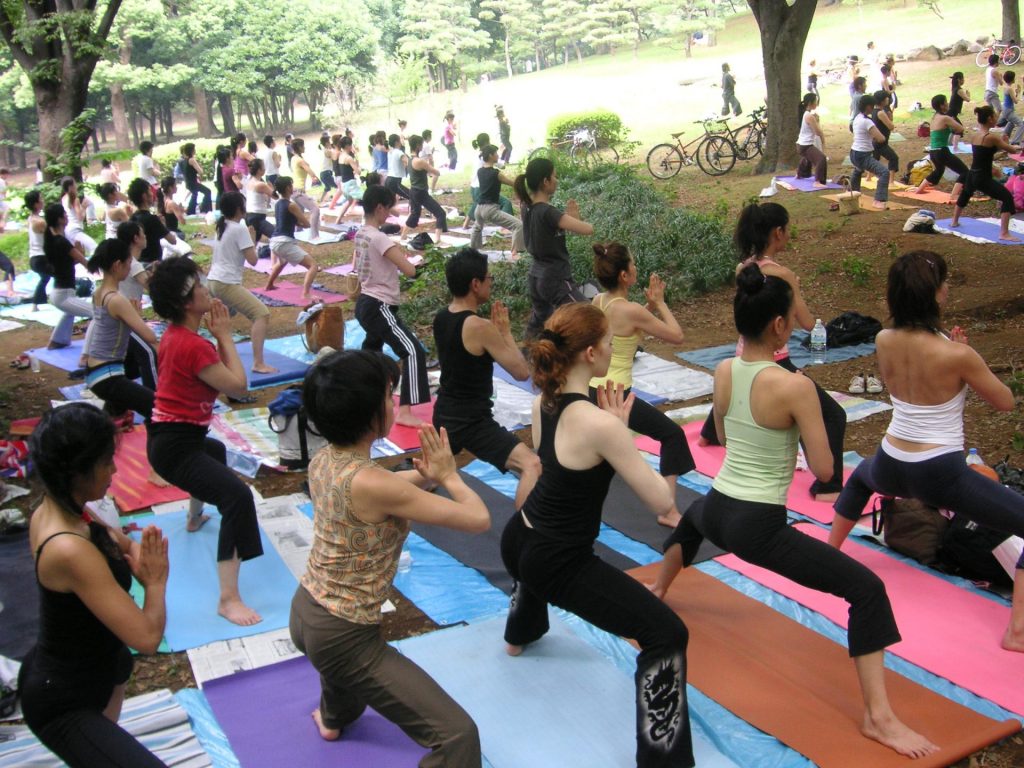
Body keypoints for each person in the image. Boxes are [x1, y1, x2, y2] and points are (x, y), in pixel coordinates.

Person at [650, 263, 937, 761]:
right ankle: (879, 718)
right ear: (780, 327)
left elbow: (720, 429)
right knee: (867, 590)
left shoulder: (722, 370)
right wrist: (803, 422)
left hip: (717, 506)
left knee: (692, 521)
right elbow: (826, 468)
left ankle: (658, 589)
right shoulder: (794, 387)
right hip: (757, 524)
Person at [501, 302, 694, 768]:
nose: (613, 350)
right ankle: (663, 760)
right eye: (609, 344)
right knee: (666, 633)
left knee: (538, 563)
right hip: (554, 559)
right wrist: (621, 435)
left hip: (518, 538)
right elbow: (663, 503)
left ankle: (518, 633)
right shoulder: (602, 424)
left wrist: (614, 435)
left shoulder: (542, 401)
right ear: (590, 353)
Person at [289, 349, 486, 763]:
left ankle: (332, 717)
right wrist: (449, 476)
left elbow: (386, 489)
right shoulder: (377, 485)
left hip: (306, 611)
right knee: (457, 736)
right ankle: (336, 707)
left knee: (343, 676)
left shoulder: (324, 460)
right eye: (389, 394)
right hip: (343, 635)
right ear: (370, 414)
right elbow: (477, 519)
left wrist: (427, 476)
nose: (394, 402)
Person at [830, 250, 1024, 654]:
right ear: (935, 294)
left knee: (862, 476)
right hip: (939, 472)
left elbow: (915, 377)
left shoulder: (883, 339)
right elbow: (1004, 401)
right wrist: (967, 361)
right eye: (945, 283)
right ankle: (1017, 631)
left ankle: (828, 556)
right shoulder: (956, 354)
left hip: (891, 459)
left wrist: (955, 358)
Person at [19, 403, 169, 768]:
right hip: (62, 700)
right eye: (106, 462)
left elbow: (124, 544)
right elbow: (147, 638)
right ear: (78, 471)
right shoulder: (68, 548)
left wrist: (138, 554)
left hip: (96, 668)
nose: (115, 469)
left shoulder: (64, 507)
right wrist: (155, 582)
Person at [698, 203, 846, 501]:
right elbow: (805, 322)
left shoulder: (745, 269)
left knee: (738, 386)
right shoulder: (783, 275)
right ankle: (829, 489)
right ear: (778, 232)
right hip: (773, 358)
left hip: (744, 353)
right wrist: (797, 291)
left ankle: (708, 434)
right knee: (834, 415)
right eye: (788, 229)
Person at [146, 256, 264, 626]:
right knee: (237, 496)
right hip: (175, 446)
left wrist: (217, 337)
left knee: (213, 452)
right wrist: (225, 334)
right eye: (198, 287)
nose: (205, 289)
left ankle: (195, 518)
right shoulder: (194, 346)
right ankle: (228, 599)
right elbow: (239, 386)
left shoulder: (176, 336)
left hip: (174, 440)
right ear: (185, 303)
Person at [588, 242, 692, 528]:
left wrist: (647, 308)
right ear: (624, 275)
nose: (636, 267)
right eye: (632, 264)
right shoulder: (632, 310)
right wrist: (659, 303)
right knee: (672, 436)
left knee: (601, 454)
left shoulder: (599, 301)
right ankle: (668, 511)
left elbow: (627, 323)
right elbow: (677, 336)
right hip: (616, 395)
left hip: (591, 390)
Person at [433, 248, 541, 508]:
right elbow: (521, 372)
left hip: (444, 413)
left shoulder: (441, 317)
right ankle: (526, 533)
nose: (491, 283)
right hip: (472, 422)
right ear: (475, 283)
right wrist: (504, 332)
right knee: (533, 465)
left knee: (430, 475)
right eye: (489, 278)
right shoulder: (480, 327)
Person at [355, 185, 430, 428]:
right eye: (388, 208)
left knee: (371, 357)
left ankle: (361, 400)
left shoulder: (361, 234)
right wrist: (419, 263)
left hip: (365, 303)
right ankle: (406, 411)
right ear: (379, 207)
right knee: (412, 351)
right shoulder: (379, 238)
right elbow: (409, 271)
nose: (390, 213)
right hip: (379, 305)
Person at [514, 157, 594, 339]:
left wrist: (570, 219)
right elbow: (588, 229)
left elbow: (546, 230)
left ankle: (528, 360)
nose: (556, 181)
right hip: (555, 278)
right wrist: (574, 217)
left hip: (535, 276)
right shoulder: (549, 212)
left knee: (540, 324)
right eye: (554, 176)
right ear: (545, 181)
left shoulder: (526, 207)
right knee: (588, 316)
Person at [208, 191, 277, 375]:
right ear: (240, 209)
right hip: (225, 283)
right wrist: (253, 237)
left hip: (213, 281)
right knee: (261, 314)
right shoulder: (239, 229)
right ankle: (258, 363)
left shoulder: (222, 226)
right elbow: (253, 260)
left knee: (225, 320)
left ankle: (218, 361)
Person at [951, 105, 1021, 241]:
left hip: (972, 173)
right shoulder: (991, 137)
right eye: (995, 116)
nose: (996, 118)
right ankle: (1004, 233)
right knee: (1006, 197)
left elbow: (985, 154)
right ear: (989, 119)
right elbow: (1012, 150)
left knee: (965, 194)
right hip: (982, 177)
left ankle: (954, 221)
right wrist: (1009, 145)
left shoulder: (975, 136)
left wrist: (1002, 146)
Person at [115, 220, 160, 392]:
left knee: (130, 359)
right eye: (143, 234)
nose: (146, 237)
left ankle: (118, 395)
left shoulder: (129, 261)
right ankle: (154, 400)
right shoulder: (132, 263)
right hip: (127, 315)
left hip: (126, 313)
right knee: (149, 352)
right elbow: (151, 287)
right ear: (136, 238)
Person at [43, 202, 93, 353]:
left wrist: (79, 253)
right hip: (63, 295)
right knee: (98, 312)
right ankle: (89, 351)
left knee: (70, 312)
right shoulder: (61, 242)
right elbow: (86, 263)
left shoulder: (52, 240)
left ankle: (57, 341)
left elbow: (71, 261)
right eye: (64, 214)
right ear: (59, 220)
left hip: (60, 293)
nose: (67, 216)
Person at [265, 176, 321, 299]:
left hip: (274, 241)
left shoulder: (278, 203)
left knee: (282, 262)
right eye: (291, 186)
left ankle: (269, 284)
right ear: (288, 188)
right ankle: (305, 293)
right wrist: (299, 222)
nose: (293, 188)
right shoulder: (292, 205)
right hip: (283, 242)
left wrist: (295, 222)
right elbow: (306, 224)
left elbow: (285, 220)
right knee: (313, 266)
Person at [910, 94, 968, 202]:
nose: (948, 104)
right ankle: (954, 195)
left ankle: (919, 189)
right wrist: (953, 121)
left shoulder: (934, 117)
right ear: (942, 106)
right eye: (946, 102)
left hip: (933, 152)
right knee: (965, 172)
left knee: (939, 170)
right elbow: (960, 129)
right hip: (942, 151)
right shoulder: (945, 118)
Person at [470, 145, 523, 256]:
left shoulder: (480, 171)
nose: (498, 155)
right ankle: (515, 253)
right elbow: (513, 183)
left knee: (477, 227)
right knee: (518, 225)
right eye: (496, 153)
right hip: (490, 209)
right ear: (490, 155)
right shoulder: (496, 174)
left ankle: (472, 253)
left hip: (479, 209)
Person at [849, 94, 890, 210]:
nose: (873, 108)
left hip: (854, 153)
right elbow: (881, 138)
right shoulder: (867, 122)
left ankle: (851, 193)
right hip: (863, 155)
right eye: (872, 106)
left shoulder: (857, 118)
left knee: (858, 170)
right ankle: (879, 200)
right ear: (868, 107)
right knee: (884, 172)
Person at [406, 135, 446, 242]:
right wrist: (430, 163)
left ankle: (403, 236)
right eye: (422, 145)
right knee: (440, 214)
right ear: (418, 145)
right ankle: (438, 240)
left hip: (413, 191)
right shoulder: (419, 161)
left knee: (414, 214)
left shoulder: (409, 160)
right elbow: (436, 172)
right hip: (420, 192)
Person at [128, 178, 178, 265]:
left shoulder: (132, 218)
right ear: (144, 196)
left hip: (137, 262)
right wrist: (163, 224)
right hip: (153, 264)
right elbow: (173, 241)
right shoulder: (152, 219)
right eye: (150, 191)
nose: (152, 194)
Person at [287, 138, 322, 241]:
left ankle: (298, 232)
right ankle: (314, 235)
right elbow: (311, 172)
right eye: (303, 146)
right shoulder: (300, 160)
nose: (304, 147)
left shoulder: (294, 158)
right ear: (299, 147)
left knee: (300, 212)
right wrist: (314, 178)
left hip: (294, 189)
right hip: (298, 190)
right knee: (315, 209)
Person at [796, 93, 829, 187]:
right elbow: (818, 132)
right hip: (805, 145)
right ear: (810, 103)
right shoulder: (810, 116)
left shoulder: (806, 114)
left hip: (801, 144)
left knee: (807, 157)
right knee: (821, 158)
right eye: (815, 102)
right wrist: (817, 121)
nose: (817, 104)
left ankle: (799, 174)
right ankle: (817, 182)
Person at [156, 177, 193, 259]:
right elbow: (182, 221)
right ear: (170, 188)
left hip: (165, 233)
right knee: (182, 236)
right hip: (172, 233)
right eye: (175, 185)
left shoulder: (163, 200)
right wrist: (180, 211)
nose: (177, 187)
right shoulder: (171, 203)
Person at [26, 190, 51, 311]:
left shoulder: (31, 218)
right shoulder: (39, 222)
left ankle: (37, 303)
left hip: (35, 258)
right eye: (41, 199)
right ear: (36, 204)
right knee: (57, 274)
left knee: (45, 278)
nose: (43, 200)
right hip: (40, 258)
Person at [61, 177, 98, 256]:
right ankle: (93, 266)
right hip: (75, 229)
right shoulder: (75, 199)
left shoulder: (64, 198)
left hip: (67, 229)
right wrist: (84, 207)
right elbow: (80, 218)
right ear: (71, 186)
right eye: (75, 184)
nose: (76, 186)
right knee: (94, 247)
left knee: (79, 253)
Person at [327, 136, 363, 216]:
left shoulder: (341, 156)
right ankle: (353, 211)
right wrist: (357, 164)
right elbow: (358, 172)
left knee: (349, 201)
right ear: (347, 146)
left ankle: (339, 219)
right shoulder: (348, 158)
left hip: (344, 183)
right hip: (350, 183)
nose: (352, 146)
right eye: (351, 144)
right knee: (363, 197)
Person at [244, 158, 276, 247]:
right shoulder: (260, 184)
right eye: (263, 167)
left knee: (254, 242)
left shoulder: (250, 181)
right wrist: (271, 187)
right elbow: (275, 196)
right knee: (276, 235)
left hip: (250, 216)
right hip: (256, 217)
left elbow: (266, 199)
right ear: (259, 170)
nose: (265, 169)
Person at [870, 90, 899, 173]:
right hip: (881, 142)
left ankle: (868, 177)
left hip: (875, 141)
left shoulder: (873, 111)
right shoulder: (881, 113)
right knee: (893, 158)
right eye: (887, 98)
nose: (888, 99)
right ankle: (891, 181)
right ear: (882, 101)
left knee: (875, 159)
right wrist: (889, 117)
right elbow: (891, 126)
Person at [181, 143, 212, 216]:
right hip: (193, 182)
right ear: (191, 151)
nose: (195, 150)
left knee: (195, 195)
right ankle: (205, 208)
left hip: (189, 182)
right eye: (194, 149)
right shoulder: (192, 160)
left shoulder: (185, 160)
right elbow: (200, 171)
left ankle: (191, 210)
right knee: (207, 191)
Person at [1000, 71, 1024, 144]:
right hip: (1008, 110)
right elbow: (1016, 101)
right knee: (1021, 124)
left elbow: (1012, 99)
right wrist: (1019, 92)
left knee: (1011, 122)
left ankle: (1004, 137)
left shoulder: (1006, 87)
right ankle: (1016, 141)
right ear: (1012, 79)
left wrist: (1016, 93)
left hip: (1005, 109)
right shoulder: (1010, 89)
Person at [385, 133, 411, 201]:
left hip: (389, 179)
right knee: (412, 196)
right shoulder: (399, 152)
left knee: (390, 202)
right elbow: (408, 162)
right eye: (400, 140)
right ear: (396, 142)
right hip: (394, 181)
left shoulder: (390, 152)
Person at [316, 132, 337, 204]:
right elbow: (334, 158)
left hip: (323, 173)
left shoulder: (324, 150)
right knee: (338, 187)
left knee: (327, 188)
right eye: (329, 141)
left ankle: (320, 200)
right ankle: (335, 201)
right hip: (326, 173)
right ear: (326, 143)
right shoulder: (327, 151)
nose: (331, 143)